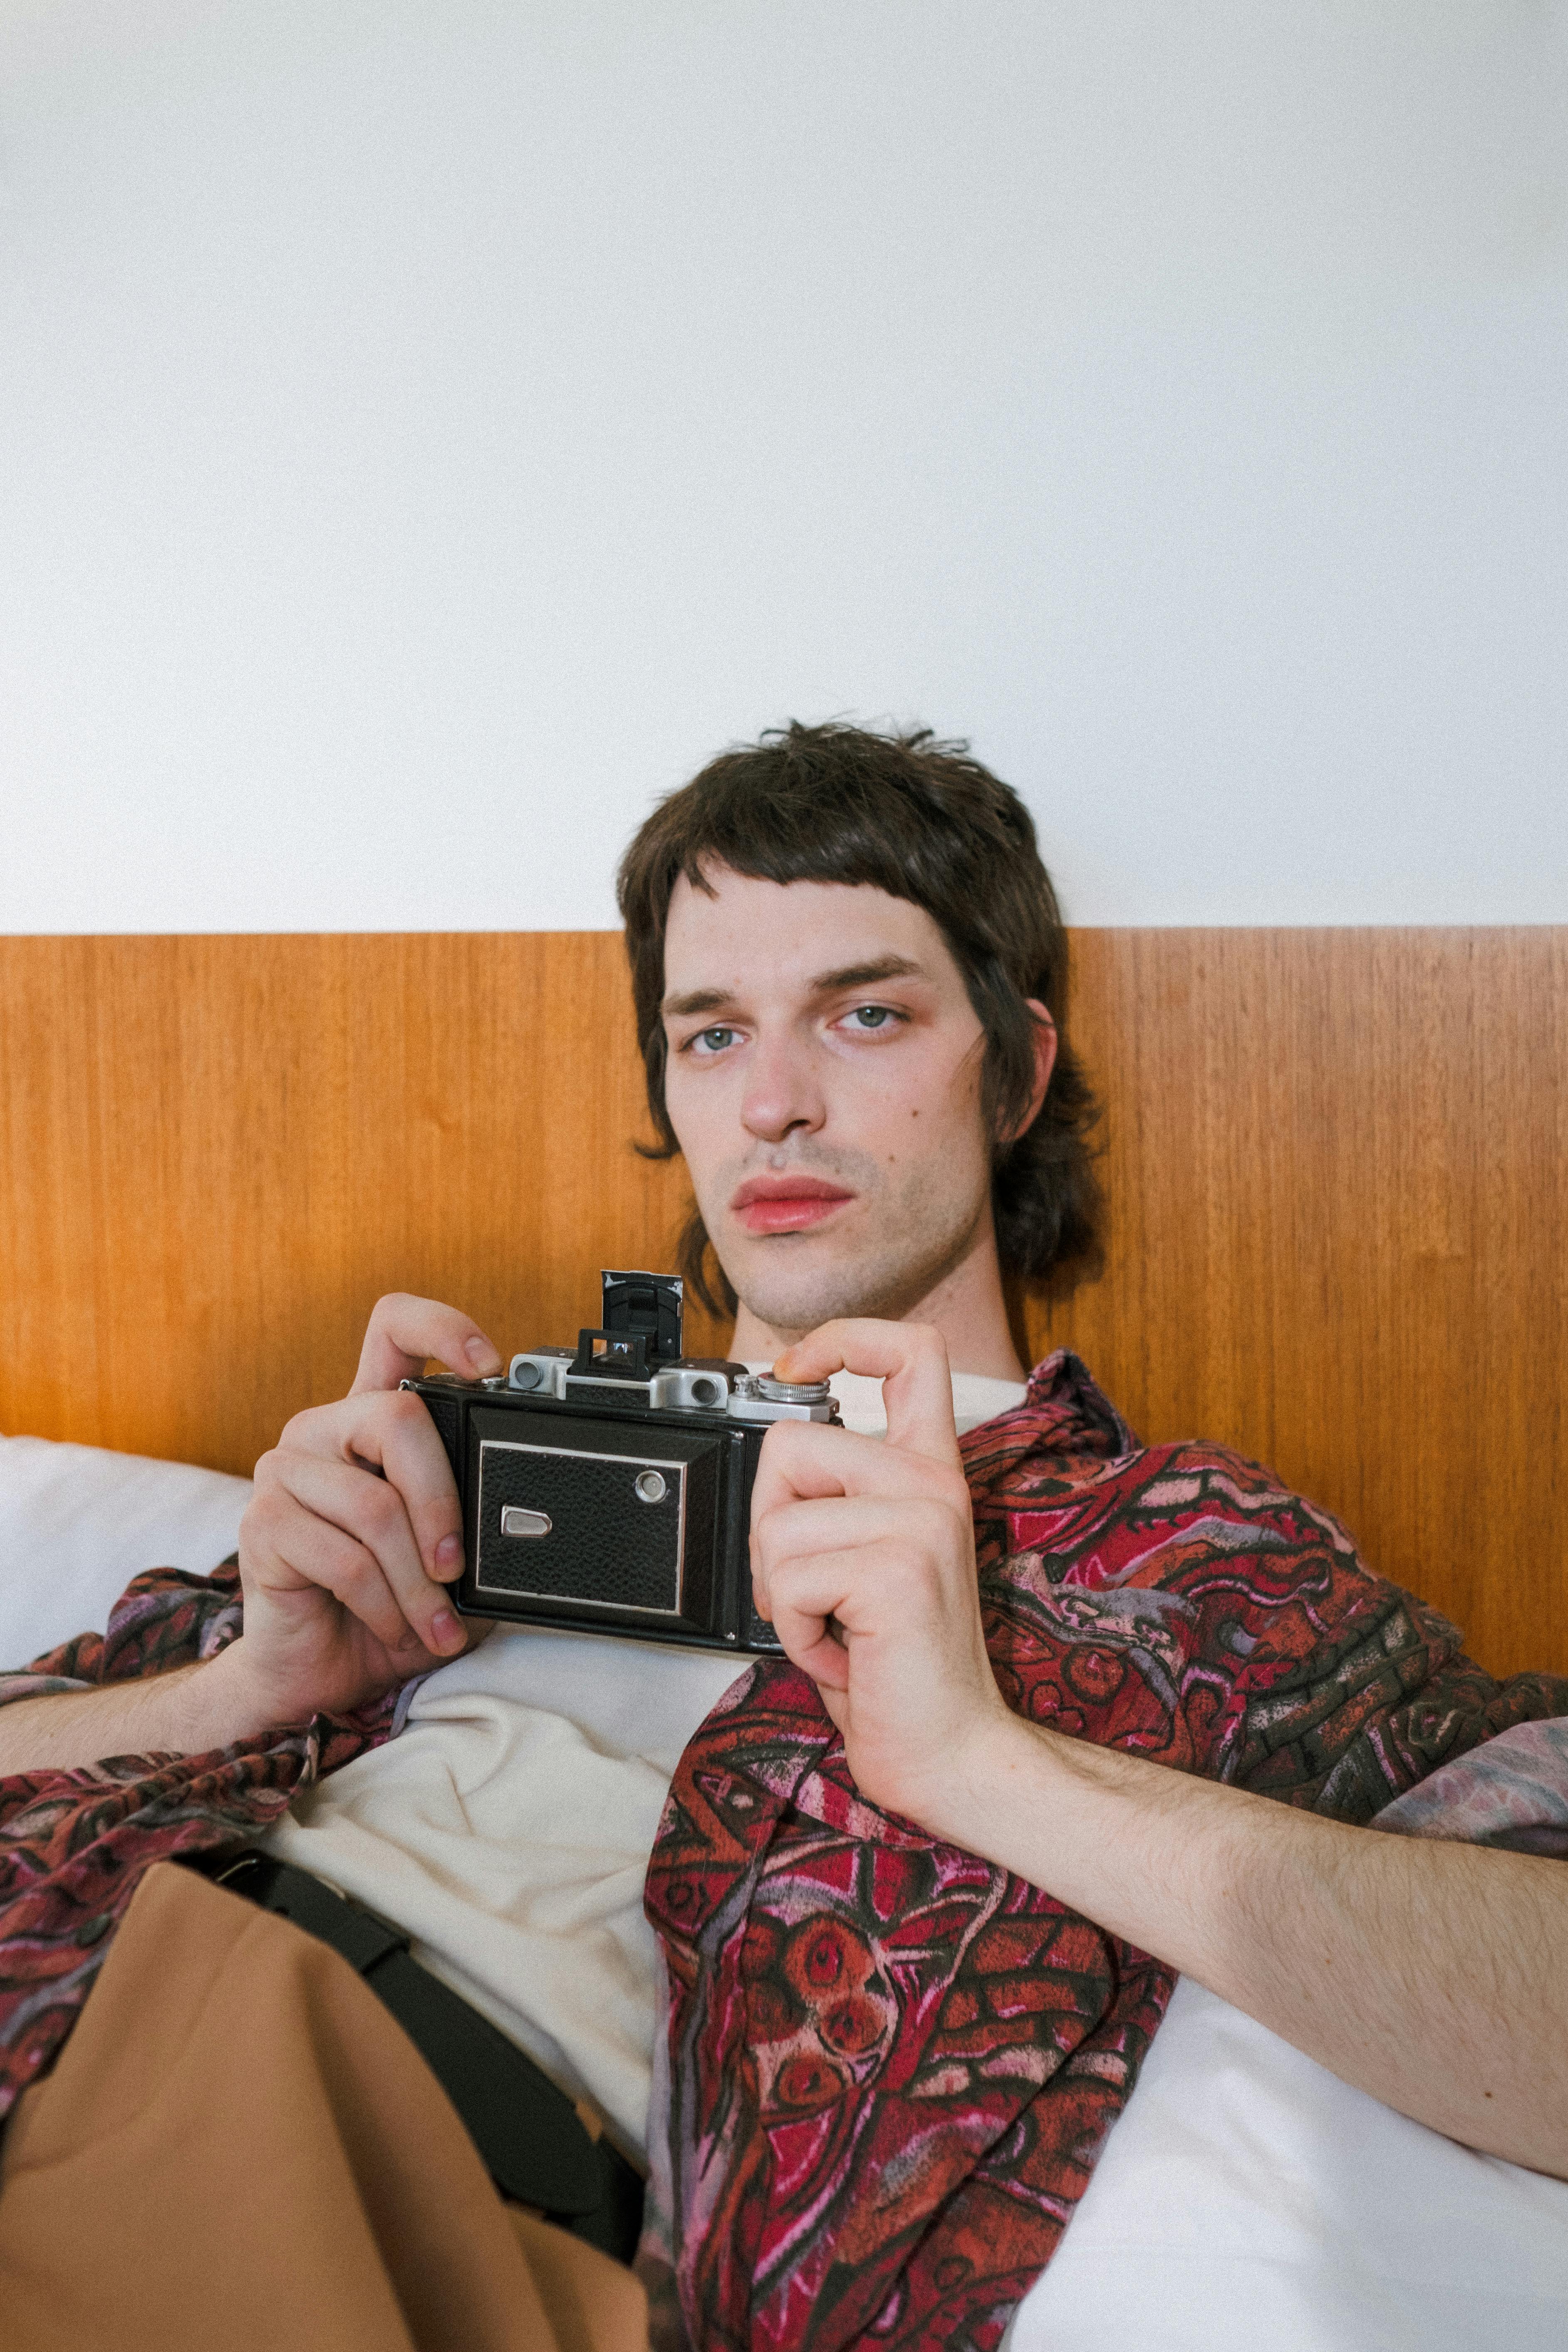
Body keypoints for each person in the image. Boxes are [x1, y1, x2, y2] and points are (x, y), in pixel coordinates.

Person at [0, 724, 1565, 2352]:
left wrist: (974, 1759)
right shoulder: (487, 1460)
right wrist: (237, 1691)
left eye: (865, 1012)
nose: (770, 1101)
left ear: (1017, 1071)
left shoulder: (1187, 1561)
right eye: (709, 1033)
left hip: (373, 2163)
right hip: (74, 1978)